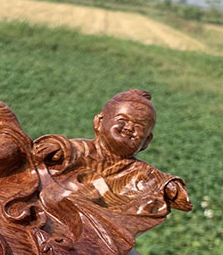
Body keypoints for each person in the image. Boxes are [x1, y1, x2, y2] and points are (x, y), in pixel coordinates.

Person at [33, 89, 191, 217]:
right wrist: (53, 148)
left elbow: (179, 199)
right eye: (122, 120)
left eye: (139, 127)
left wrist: (170, 188)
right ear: (99, 122)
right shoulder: (78, 150)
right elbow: (62, 147)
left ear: (147, 141)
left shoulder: (141, 172)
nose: (129, 128)